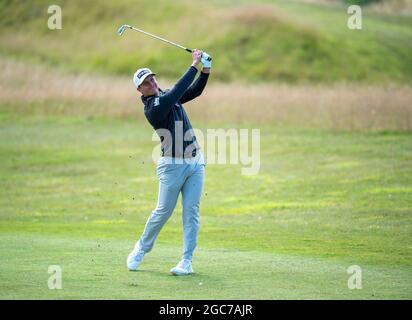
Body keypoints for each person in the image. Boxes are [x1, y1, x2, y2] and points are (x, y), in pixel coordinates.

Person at [127, 49, 211, 275]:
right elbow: (178, 92)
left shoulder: (165, 95)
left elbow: (192, 92)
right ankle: (142, 248)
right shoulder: (153, 108)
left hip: (195, 162)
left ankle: (186, 261)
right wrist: (194, 64)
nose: (152, 82)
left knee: (191, 212)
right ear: (140, 89)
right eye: (146, 82)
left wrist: (206, 70)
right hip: (171, 166)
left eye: (152, 78)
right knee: (163, 211)